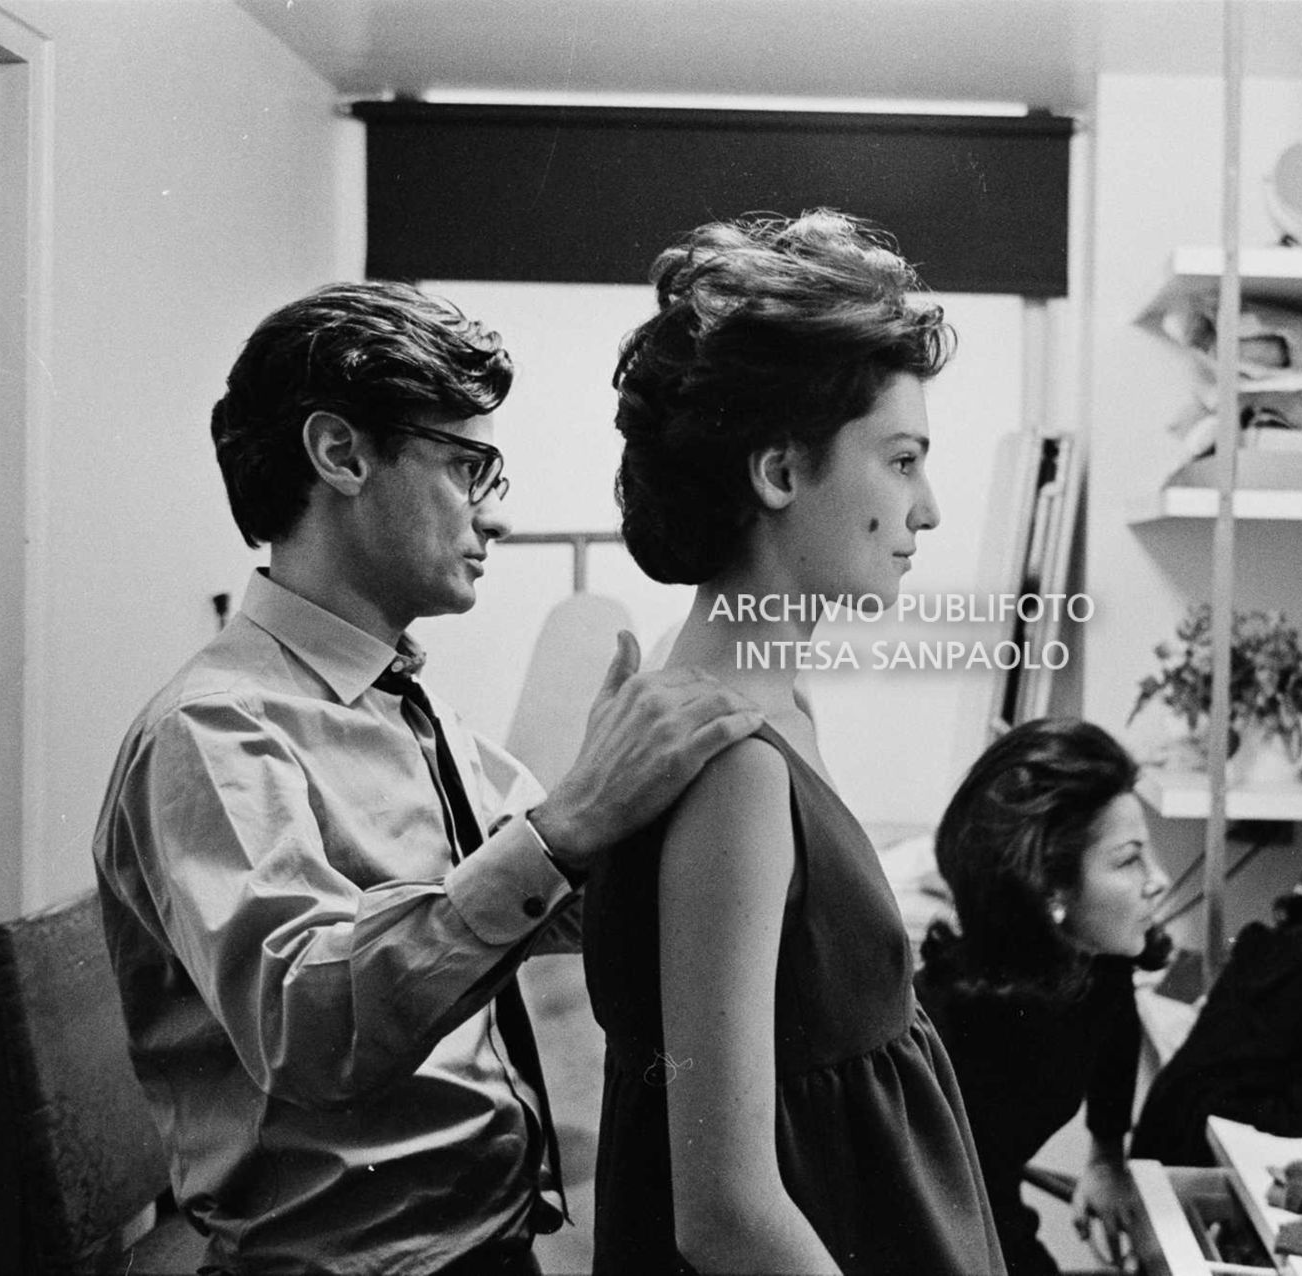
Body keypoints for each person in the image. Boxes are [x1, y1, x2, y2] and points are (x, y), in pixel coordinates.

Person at [92, 280, 762, 1276]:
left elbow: (532, 895)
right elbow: (308, 1030)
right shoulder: (213, 730)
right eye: (468, 465)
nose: (495, 515)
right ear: (342, 453)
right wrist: (570, 825)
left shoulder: (396, 696)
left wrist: (689, 830)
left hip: (480, 1245)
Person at [578, 211, 1005, 1276]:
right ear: (778, 472)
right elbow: (723, 1211)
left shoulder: (772, 701)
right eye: (901, 460)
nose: (930, 509)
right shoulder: (731, 758)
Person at [914, 718, 1173, 1276]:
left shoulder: (1099, 964)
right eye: (1130, 860)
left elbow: (1115, 1031)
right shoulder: (959, 1027)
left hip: (987, 1211)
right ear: (1049, 885)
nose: (1160, 880)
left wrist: (1106, 1156)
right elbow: (935, 1215)